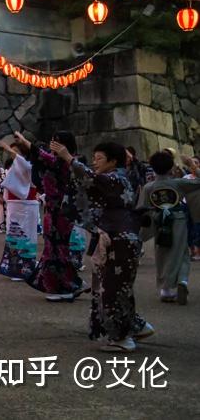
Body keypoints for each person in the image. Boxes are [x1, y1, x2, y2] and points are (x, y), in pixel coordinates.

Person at [50, 140, 154, 352]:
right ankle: (136, 326)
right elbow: (92, 181)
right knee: (118, 288)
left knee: (112, 289)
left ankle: (122, 338)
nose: (95, 163)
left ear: (113, 161)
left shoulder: (115, 178)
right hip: (119, 237)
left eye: (99, 159)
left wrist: (68, 158)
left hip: (119, 239)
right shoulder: (120, 178)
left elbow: (91, 179)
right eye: (94, 158)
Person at [26, 131, 85, 302]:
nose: (53, 145)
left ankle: (63, 286)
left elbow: (42, 156)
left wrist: (25, 142)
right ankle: (68, 283)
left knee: (57, 250)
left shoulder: (65, 162)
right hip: (53, 210)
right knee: (54, 248)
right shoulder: (57, 161)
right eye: (52, 141)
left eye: (57, 142)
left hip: (61, 212)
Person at [138, 151, 200, 305]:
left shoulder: (149, 187)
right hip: (178, 219)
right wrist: (191, 165)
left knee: (162, 253)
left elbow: (142, 209)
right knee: (182, 252)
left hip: (159, 221)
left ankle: (165, 289)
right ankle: (183, 281)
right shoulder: (178, 183)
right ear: (171, 167)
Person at [0, 133, 40, 282]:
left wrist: (7, 148)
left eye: (17, 152)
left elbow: (22, 162)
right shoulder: (17, 165)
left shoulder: (30, 164)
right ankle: (15, 267)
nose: (14, 155)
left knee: (25, 236)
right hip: (16, 205)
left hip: (26, 204)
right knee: (14, 235)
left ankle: (24, 267)